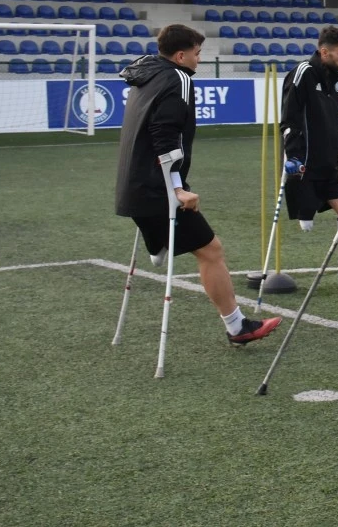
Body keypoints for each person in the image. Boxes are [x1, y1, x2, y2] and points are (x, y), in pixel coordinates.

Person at [115, 24, 281, 345]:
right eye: (197, 53)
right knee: (211, 250)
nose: (199, 59)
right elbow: (165, 134)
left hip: (134, 186)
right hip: (156, 189)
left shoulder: (144, 75)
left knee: (197, 245)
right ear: (181, 56)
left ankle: (158, 245)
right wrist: (177, 188)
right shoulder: (178, 78)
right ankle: (237, 327)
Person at [281, 27, 338, 231]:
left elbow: (332, 119)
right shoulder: (303, 72)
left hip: (328, 163)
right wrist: (293, 155)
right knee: (306, 226)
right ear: (324, 52)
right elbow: (289, 119)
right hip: (305, 164)